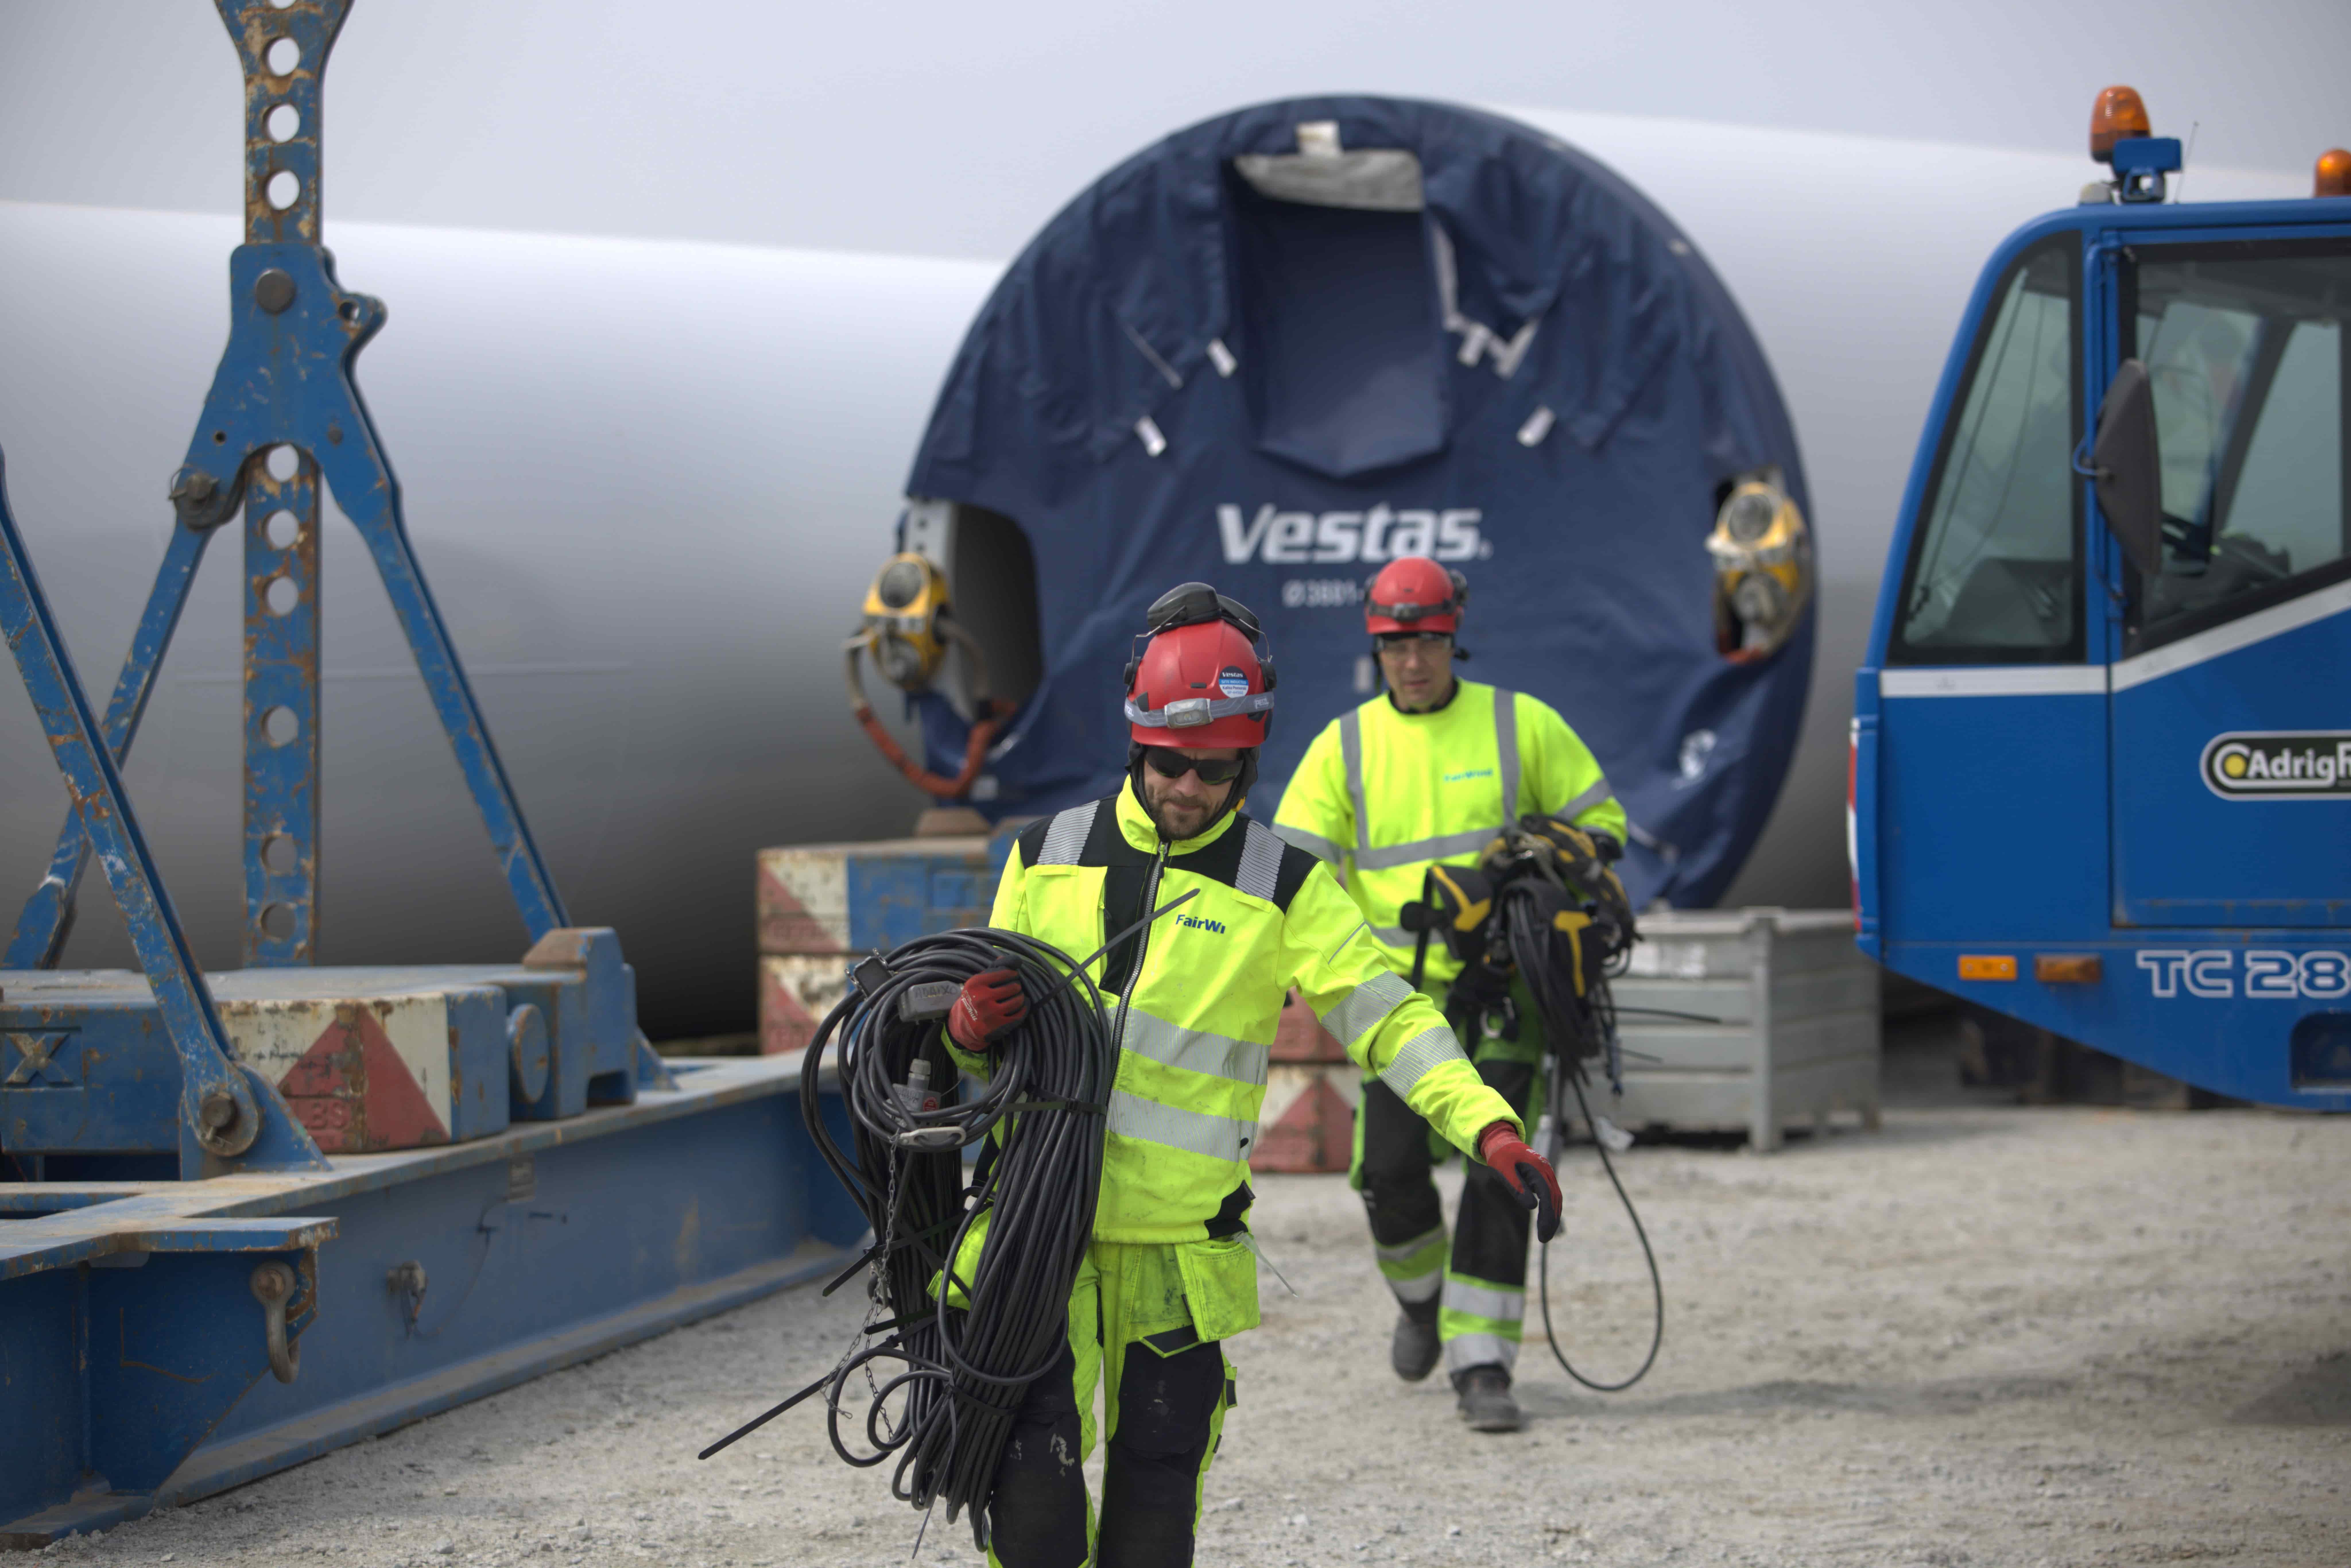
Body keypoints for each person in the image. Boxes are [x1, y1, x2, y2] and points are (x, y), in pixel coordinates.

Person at [944, 580, 1559, 1567]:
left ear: (1249, 762)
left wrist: (1488, 1127)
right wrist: (965, 1026)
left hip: (1179, 1263)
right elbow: (969, 1054)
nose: (1190, 789)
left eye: (1218, 770)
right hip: (1035, 1240)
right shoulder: (1043, 857)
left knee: (1155, 1514)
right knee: (1031, 1509)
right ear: (1138, 743)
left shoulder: (1283, 889)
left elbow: (1389, 1017)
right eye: (1171, 763)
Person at [1272, 556, 1626, 1432]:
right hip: (1394, 1008)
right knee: (1388, 1175)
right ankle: (1423, 1302)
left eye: (1428, 642)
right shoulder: (1343, 748)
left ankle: (1482, 1367)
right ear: (1376, 646)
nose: (1413, 661)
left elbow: (1603, 831)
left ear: (1453, 635)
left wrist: (1549, 851)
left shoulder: (1520, 724)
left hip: (1504, 994)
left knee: (1500, 1171)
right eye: (1395, 646)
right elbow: (1290, 879)